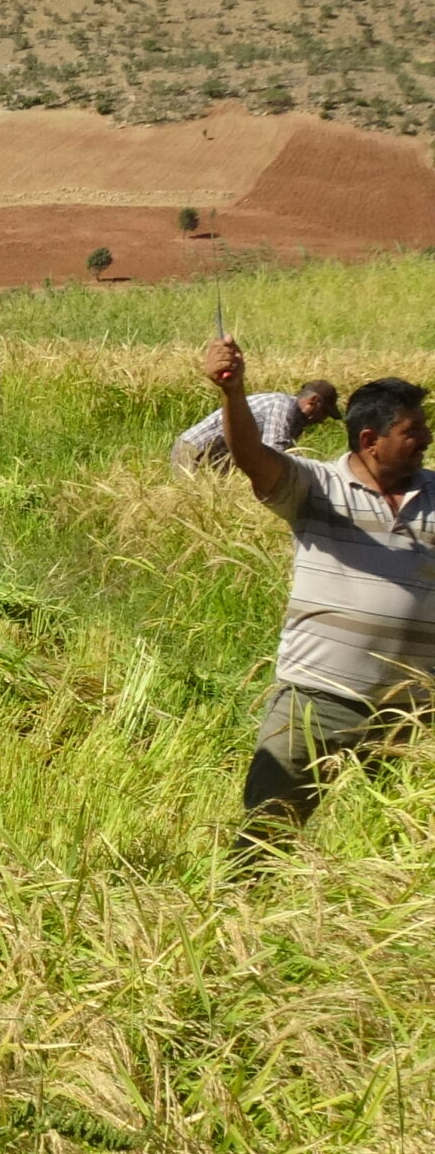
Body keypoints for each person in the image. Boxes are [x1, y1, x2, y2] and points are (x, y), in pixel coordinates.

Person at [203, 338, 435, 856]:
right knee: (268, 834)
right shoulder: (317, 487)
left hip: (413, 715)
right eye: (412, 431)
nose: (425, 438)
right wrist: (232, 392)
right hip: (316, 702)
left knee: (399, 853)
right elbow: (251, 457)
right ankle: (242, 918)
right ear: (371, 439)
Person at [173, 378, 338, 472]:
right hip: (196, 451)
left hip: (216, 457)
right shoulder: (283, 405)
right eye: (324, 412)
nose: (323, 420)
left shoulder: (296, 421)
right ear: (313, 401)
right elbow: (275, 449)